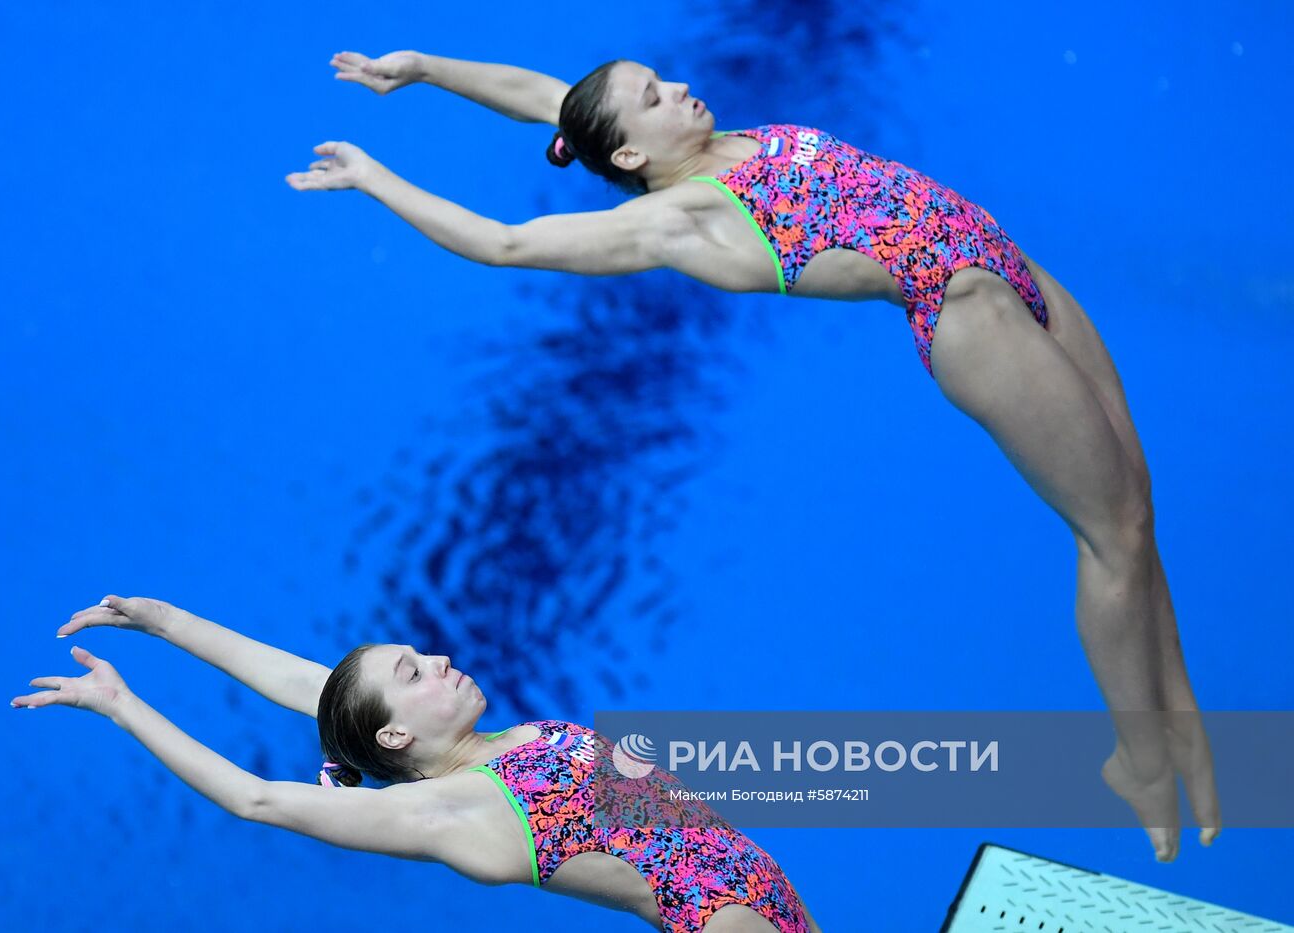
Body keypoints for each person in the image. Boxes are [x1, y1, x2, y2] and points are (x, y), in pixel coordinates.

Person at [283, 51, 1222, 862]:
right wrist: (376, 176)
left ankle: (1170, 708)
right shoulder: (679, 216)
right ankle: (1136, 757)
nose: (681, 88)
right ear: (631, 156)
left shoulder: (700, 140)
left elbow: (548, 96)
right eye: (653, 96)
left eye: (661, 79)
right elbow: (502, 240)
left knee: (1137, 508)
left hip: (1008, 265)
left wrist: (423, 72)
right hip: (969, 314)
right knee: (1111, 535)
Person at [12, 596, 822, 933]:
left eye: (420, 655)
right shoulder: (460, 809)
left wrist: (165, 622)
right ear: (396, 738)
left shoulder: (511, 742)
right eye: (412, 673)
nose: (437, 660)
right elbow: (258, 799)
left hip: (769, 896)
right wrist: (122, 704)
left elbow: (307, 684)